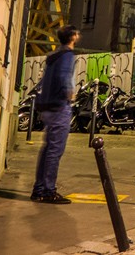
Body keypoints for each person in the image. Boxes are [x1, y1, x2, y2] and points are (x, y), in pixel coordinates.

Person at [31, 25, 80, 204]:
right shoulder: (67, 55)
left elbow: (45, 81)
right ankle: (48, 191)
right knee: (55, 150)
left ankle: (39, 189)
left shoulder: (54, 56)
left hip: (48, 106)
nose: (78, 35)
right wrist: (70, 94)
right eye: (77, 33)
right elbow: (64, 76)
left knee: (47, 149)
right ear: (73, 37)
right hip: (59, 107)